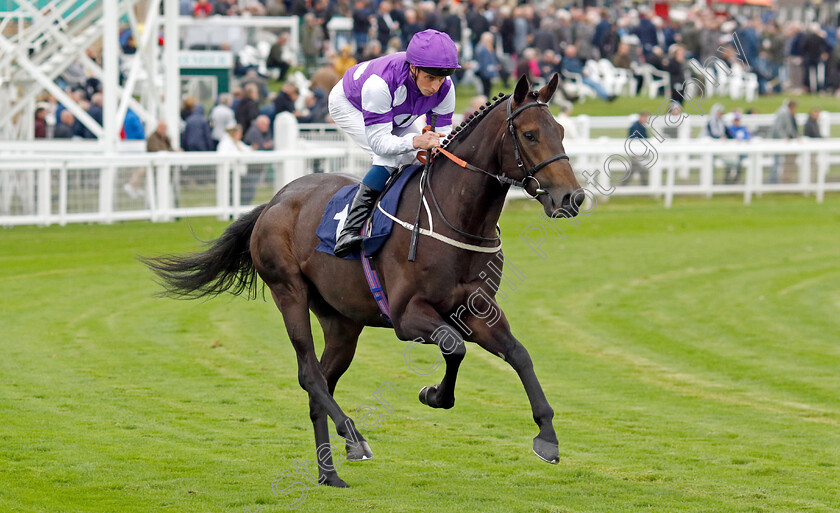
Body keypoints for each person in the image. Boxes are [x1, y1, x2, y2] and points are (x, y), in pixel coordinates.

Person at [328, 29, 458, 257]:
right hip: (351, 105)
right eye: (430, 78)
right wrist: (417, 141)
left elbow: (443, 133)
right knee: (390, 157)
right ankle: (348, 230)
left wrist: (434, 146)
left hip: (396, 113)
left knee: (417, 160)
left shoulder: (446, 87)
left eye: (440, 78)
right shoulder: (380, 84)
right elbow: (380, 144)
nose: (435, 86)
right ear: (413, 68)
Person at [769, 99, 799, 184]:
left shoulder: (786, 112)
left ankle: (775, 182)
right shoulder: (783, 113)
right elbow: (778, 128)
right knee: (776, 162)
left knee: (778, 162)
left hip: (779, 141)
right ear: (792, 107)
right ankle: (772, 183)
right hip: (776, 142)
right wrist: (784, 137)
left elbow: (789, 128)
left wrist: (795, 136)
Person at [627, 111, 650, 186]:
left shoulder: (640, 126)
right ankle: (645, 186)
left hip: (638, 152)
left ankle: (645, 186)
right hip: (636, 152)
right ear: (642, 117)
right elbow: (634, 140)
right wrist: (636, 154)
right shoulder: (636, 127)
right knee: (641, 170)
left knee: (633, 170)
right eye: (645, 117)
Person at [474, 32, 499, 97]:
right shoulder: (482, 49)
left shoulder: (487, 48)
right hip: (483, 72)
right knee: (485, 89)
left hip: (487, 71)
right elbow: (483, 62)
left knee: (487, 89)